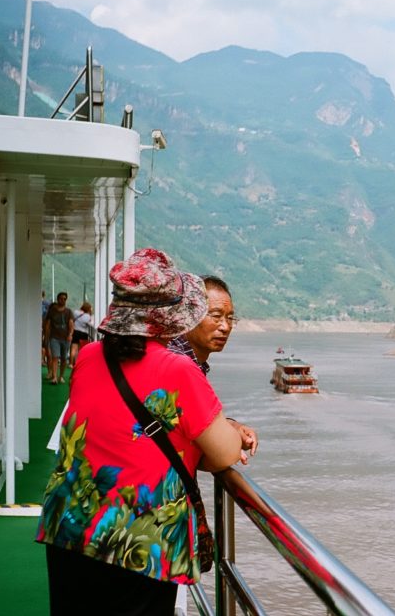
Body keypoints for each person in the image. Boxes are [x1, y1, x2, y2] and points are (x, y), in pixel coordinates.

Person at [35, 247, 258, 615]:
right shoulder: (178, 370)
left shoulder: (90, 355)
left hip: (70, 525)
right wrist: (232, 430)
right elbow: (223, 453)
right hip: (136, 540)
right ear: (171, 315)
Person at [168, 276, 257, 459]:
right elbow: (222, 455)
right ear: (188, 316)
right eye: (216, 316)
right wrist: (231, 443)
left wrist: (232, 426)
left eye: (230, 318)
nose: (225, 327)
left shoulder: (190, 360)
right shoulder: (177, 363)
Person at [43, 292, 74, 384]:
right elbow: (47, 325)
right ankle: (54, 377)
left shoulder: (68, 311)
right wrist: (46, 337)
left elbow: (71, 324)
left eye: (65, 299)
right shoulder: (52, 311)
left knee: (64, 358)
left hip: (65, 338)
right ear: (58, 299)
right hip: (54, 337)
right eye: (61, 298)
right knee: (55, 357)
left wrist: (70, 334)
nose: (63, 300)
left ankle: (61, 376)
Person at [70, 301, 94, 366]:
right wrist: (90, 313)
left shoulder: (76, 312)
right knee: (81, 349)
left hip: (76, 332)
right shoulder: (88, 316)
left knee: (73, 348)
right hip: (83, 333)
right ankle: (78, 363)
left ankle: (71, 363)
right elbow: (91, 323)